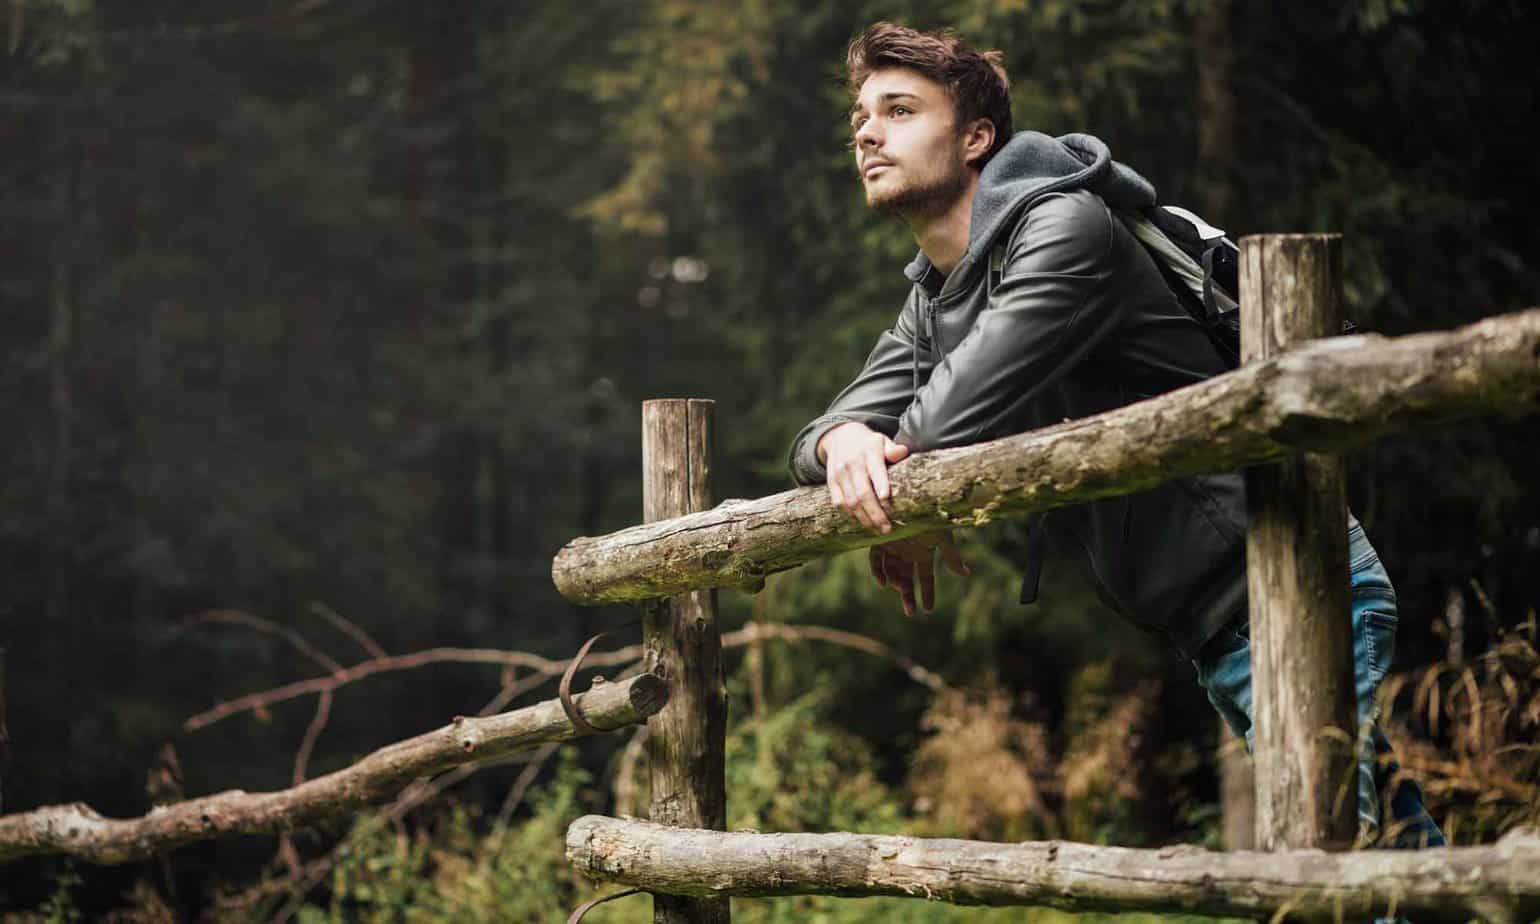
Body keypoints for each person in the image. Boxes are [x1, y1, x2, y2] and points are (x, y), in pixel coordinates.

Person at [787, 21, 1445, 853]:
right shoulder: (939, 291)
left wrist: (895, 485)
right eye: (860, 118)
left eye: (900, 110)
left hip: (1290, 580)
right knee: (1397, 863)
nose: (868, 132)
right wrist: (843, 438)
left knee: (1337, 867)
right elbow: (823, 433)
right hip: (1223, 613)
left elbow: (941, 424)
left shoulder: (1066, 230)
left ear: (977, 137)